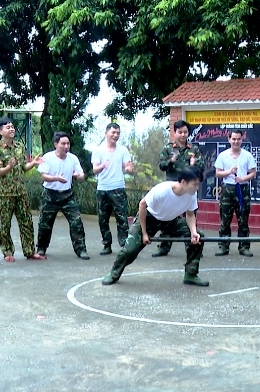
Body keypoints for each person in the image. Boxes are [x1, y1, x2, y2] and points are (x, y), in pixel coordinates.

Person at [102, 166, 207, 287]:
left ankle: (191, 274)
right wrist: (145, 233)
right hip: (149, 218)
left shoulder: (191, 193)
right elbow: (142, 205)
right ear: (183, 182)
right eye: (195, 184)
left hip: (171, 220)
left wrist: (193, 232)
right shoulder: (162, 190)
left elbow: (190, 214)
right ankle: (114, 273)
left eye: (198, 184)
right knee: (130, 249)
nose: (197, 187)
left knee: (199, 237)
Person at [0, 118, 44, 262]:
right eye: (8, 127)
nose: (12, 129)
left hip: (20, 191)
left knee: (26, 222)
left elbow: (24, 167)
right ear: (1, 131)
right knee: (5, 224)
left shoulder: (20, 146)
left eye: (13, 127)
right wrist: (9, 167)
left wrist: (33, 163)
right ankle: (8, 252)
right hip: (5, 193)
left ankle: (30, 251)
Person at [154, 120, 205, 257]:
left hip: (188, 191)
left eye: (185, 132)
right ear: (175, 132)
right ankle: (164, 247)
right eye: (180, 132)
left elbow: (202, 168)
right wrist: (171, 161)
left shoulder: (193, 149)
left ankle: (192, 245)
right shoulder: (168, 148)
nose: (183, 135)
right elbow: (161, 166)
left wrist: (194, 164)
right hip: (172, 190)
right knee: (168, 218)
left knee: (190, 217)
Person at [35, 131, 89, 260]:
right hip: (50, 195)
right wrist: (56, 179)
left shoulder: (73, 158)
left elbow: (81, 175)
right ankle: (41, 248)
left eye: (68, 143)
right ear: (56, 144)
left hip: (67, 196)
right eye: (63, 143)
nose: (66, 146)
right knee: (45, 223)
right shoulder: (48, 157)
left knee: (76, 222)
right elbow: (43, 176)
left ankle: (81, 249)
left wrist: (79, 176)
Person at [92, 122, 134, 256]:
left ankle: (124, 245)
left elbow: (128, 166)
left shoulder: (123, 150)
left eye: (118, 133)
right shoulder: (98, 150)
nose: (115, 135)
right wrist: (102, 166)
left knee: (122, 218)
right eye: (113, 133)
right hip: (103, 189)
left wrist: (128, 169)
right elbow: (94, 170)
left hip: (118, 188)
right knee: (102, 219)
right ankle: (106, 245)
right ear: (106, 133)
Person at [214, 129, 257, 257]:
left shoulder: (247, 155)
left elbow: (253, 173)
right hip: (227, 189)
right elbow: (217, 173)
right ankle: (223, 246)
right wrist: (229, 172)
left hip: (242, 189)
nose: (236, 141)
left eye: (238, 139)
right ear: (229, 139)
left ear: (242, 139)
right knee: (225, 220)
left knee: (243, 219)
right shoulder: (223, 155)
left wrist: (243, 178)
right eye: (233, 139)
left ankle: (244, 247)